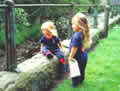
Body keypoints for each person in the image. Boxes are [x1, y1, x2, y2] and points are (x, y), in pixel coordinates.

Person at [68, 12, 91, 87]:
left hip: (77, 57)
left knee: (75, 71)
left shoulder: (76, 35)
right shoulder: (83, 33)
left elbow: (74, 48)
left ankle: (75, 85)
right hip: (83, 55)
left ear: (80, 25)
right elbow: (82, 45)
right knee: (81, 70)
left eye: (73, 24)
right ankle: (81, 80)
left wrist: (70, 57)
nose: (72, 26)